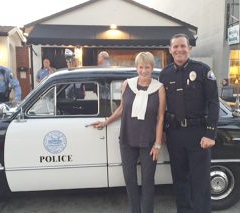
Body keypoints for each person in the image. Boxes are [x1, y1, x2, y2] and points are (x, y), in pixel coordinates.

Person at [92, 52, 166, 213]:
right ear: (136, 67)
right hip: (127, 138)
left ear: (152, 68)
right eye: (141, 67)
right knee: (130, 180)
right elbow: (121, 108)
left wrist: (158, 144)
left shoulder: (159, 88)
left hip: (149, 141)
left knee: (148, 181)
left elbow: (161, 117)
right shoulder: (128, 84)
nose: (144, 71)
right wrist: (106, 122)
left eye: (147, 67)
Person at [159, 34, 219, 213]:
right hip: (175, 134)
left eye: (182, 46)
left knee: (199, 181)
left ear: (189, 48)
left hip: (198, 133)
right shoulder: (165, 73)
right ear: (170, 50)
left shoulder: (202, 70)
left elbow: (213, 102)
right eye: (175, 46)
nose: (179, 50)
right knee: (179, 180)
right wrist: (161, 131)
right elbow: (162, 107)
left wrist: (210, 133)